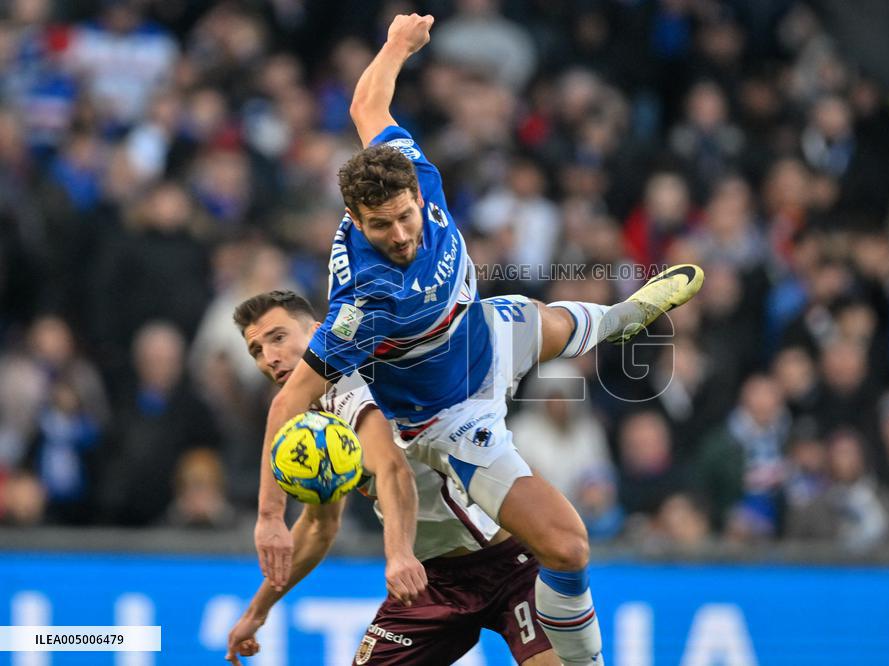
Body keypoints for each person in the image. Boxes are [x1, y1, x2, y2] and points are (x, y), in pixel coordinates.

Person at [255, 14, 703, 665]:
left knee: (556, 322)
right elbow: (287, 403)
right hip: (448, 416)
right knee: (569, 546)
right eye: (381, 227)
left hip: (484, 329)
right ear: (354, 219)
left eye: (406, 217)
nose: (402, 236)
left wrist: (397, 44)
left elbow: (366, 102)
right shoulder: (363, 306)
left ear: (417, 190)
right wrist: (270, 516)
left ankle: (623, 316)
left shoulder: (412, 168)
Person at [226, 291, 557, 665]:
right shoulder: (316, 425)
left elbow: (392, 468)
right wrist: (257, 612)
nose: (270, 357)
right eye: (256, 350)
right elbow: (320, 527)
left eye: (279, 337)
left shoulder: (353, 382)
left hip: (508, 565)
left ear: (317, 332)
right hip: (430, 581)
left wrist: (398, 553)